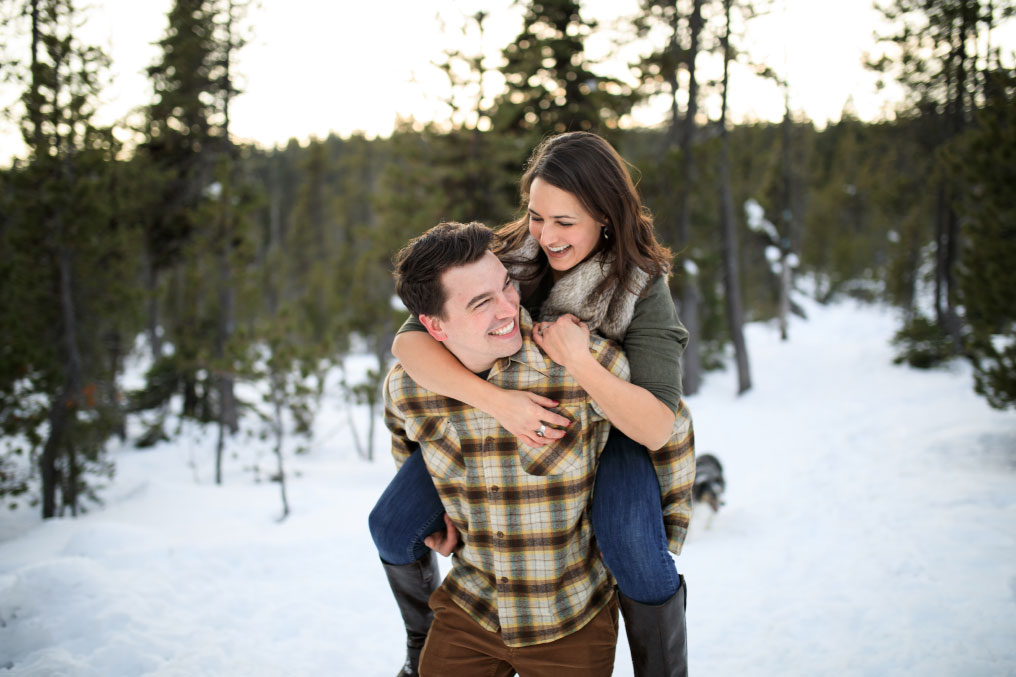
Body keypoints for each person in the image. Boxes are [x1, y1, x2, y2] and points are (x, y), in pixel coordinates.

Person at [370, 132, 695, 677]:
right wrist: (498, 403)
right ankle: (420, 648)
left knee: (632, 547)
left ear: (606, 216)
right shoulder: (510, 252)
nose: (545, 235)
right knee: (392, 523)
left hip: (614, 427)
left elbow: (657, 425)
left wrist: (582, 362)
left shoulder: (640, 287)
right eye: (537, 216)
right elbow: (411, 342)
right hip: (498, 416)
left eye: (565, 222)